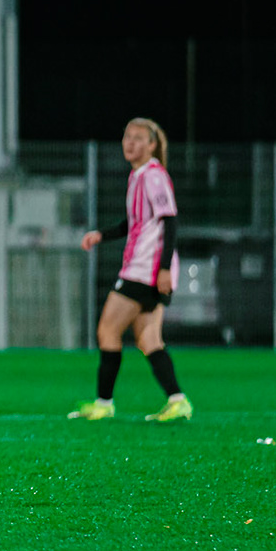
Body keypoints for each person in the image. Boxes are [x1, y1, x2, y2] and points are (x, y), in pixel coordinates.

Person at [69, 117, 194, 423]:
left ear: (152, 145)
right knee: (148, 339)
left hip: (145, 269)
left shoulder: (153, 176)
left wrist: (163, 269)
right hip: (148, 269)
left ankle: (104, 403)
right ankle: (178, 401)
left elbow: (170, 220)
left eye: (138, 138)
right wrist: (102, 235)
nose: (130, 142)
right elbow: (136, 222)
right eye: (127, 137)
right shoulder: (139, 176)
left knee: (107, 331)